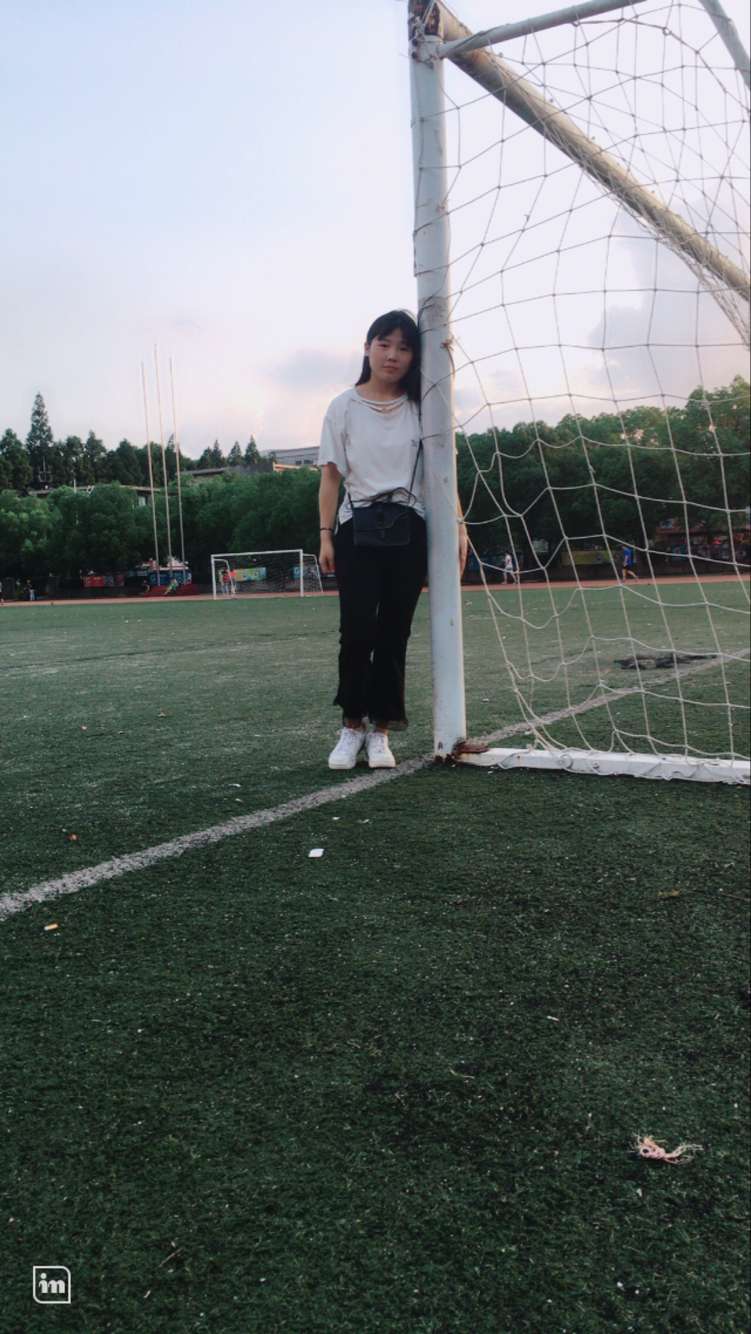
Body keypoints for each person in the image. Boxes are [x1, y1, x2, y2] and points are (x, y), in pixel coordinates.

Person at [318, 309, 467, 771]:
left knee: (394, 632)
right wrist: (325, 535)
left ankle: (381, 730)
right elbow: (330, 477)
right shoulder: (342, 406)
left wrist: (459, 525)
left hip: (409, 528)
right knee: (356, 630)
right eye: (384, 344)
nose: (393, 355)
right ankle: (351, 726)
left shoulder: (424, 408)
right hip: (357, 528)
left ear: (413, 357)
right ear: (367, 348)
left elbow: (442, 473)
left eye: (404, 347)